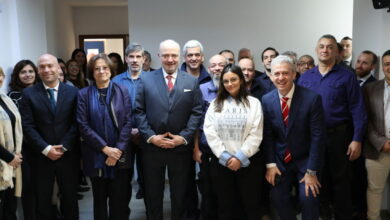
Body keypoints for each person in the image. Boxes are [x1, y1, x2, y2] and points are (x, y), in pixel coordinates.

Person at [298, 34, 366, 220]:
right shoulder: (305, 78)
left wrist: (357, 139)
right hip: (313, 139)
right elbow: (299, 111)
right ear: (316, 49)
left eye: (329, 47)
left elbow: (357, 109)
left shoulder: (347, 76)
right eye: (321, 46)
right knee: (318, 181)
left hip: (339, 137)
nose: (325, 50)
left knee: (341, 183)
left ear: (336, 51)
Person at [135, 39, 202, 220]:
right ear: (159, 56)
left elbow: (196, 113)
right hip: (152, 148)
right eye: (165, 55)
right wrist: (151, 137)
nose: (170, 59)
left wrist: (184, 137)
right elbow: (138, 111)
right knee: (152, 194)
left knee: (180, 195)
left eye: (173, 55)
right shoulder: (146, 79)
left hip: (180, 148)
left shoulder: (192, 81)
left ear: (179, 57)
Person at [262, 55, 326, 220]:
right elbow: (268, 135)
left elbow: (318, 137)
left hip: (306, 161)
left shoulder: (311, 99)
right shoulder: (267, 100)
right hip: (281, 162)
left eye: (285, 73)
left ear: (294, 74)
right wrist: (270, 164)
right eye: (276, 74)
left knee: (309, 198)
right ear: (271, 75)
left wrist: (312, 171)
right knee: (277, 197)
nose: (281, 78)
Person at [20, 54, 80, 220]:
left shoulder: (73, 92)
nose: (46, 70)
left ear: (59, 68)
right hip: (40, 156)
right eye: (42, 67)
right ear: (39, 70)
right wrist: (46, 149)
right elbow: (27, 126)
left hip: (67, 155)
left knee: (70, 199)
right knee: (43, 200)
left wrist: (64, 146)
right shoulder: (28, 94)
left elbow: (77, 123)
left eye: (50, 66)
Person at [77, 53, 133, 220]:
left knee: (120, 201)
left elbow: (128, 121)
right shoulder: (83, 94)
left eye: (105, 68)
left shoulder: (122, 90)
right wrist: (105, 149)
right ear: (91, 72)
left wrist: (117, 150)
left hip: (120, 155)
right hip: (96, 155)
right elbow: (83, 125)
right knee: (100, 201)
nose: (101, 71)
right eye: (97, 69)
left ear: (111, 70)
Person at [203, 64, 263, 220]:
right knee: (225, 207)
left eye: (234, 79)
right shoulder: (215, 104)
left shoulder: (254, 103)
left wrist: (239, 157)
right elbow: (210, 132)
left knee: (250, 206)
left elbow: (256, 134)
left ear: (241, 80)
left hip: (248, 164)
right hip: (222, 164)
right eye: (226, 81)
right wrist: (226, 157)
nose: (230, 84)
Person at [194, 54, 227, 220]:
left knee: (226, 193)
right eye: (213, 65)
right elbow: (195, 122)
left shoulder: (234, 88)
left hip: (230, 151)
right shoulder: (201, 89)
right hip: (207, 151)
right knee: (207, 191)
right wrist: (196, 148)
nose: (217, 68)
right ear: (208, 69)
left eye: (221, 65)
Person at [112, 43, 146, 201]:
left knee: (148, 175)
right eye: (131, 56)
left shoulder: (151, 80)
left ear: (143, 59)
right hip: (123, 137)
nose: (134, 60)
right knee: (123, 176)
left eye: (138, 56)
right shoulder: (116, 81)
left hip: (146, 135)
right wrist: (128, 131)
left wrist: (141, 129)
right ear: (126, 59)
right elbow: (112, 109)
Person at [7, 60, 38, 220]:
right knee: (28, 187)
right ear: (17, 76)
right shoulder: (13, 96)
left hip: (43, 147)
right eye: (23, 72)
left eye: (31, 71)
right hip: (25, 148)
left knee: (43, 188)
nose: (28, 75)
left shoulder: (42, 91)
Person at [363, 49, 390, 220]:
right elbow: (365, 120)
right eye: (387, 64)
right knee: (375, 189)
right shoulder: (369, 89)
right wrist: (381, 142)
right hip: (378, 149)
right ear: (382, 66)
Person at [0, 66, 23, 220]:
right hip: (5, 161)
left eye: (0, 74)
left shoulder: (5, 98)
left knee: (10, 208)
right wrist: (9, 158)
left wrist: (15, 155)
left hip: (11, 162)